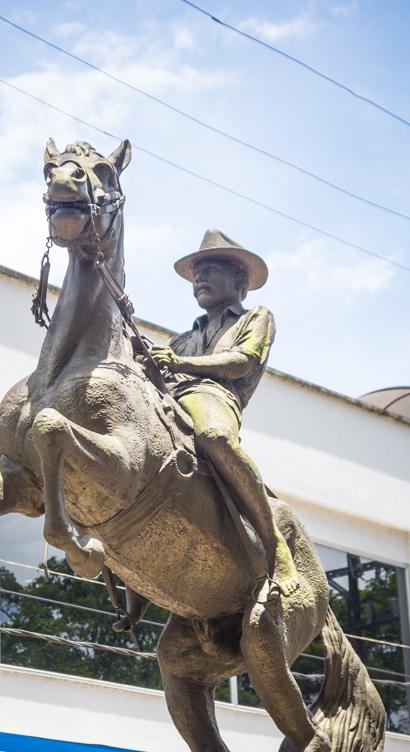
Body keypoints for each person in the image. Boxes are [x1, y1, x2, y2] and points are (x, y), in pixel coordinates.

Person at [114, 229, 298, 634]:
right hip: (174, 399)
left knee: (214, 437)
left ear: (239, 281)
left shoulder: (256, 318)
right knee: (128, 459)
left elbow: (241, 361)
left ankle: (276, 548)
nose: (199, 278)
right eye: (197, 272)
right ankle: (135, 590)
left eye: (210, 269)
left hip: (215, 397)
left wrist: (178, 364)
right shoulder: (183, 337)